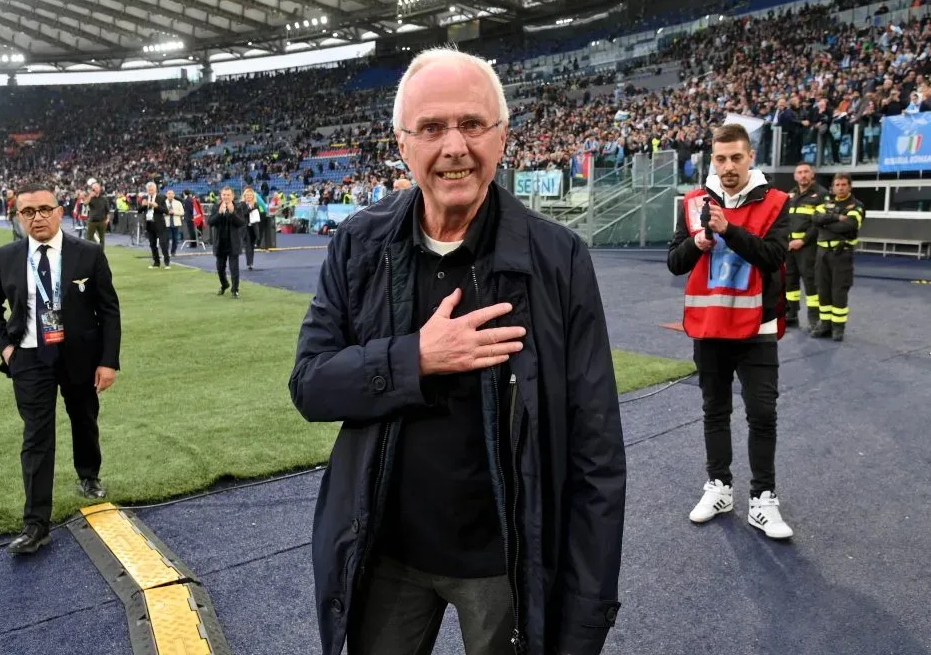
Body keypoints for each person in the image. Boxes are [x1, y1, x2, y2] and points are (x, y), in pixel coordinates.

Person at [289, 47, 626, 655]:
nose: (454, 147)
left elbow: (595, 450)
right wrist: (414, 357)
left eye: (472, 125)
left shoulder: (558, 260)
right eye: (432, 127)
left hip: (506, 564)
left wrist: (584, 617)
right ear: (402, 143)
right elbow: (310, 385)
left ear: (501, 138)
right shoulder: (358, 244)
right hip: (385, 553)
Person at [0, 183, 122, 555]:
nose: (37, 217)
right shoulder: (5, 256)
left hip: (79, 356)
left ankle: (89, 476)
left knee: (84, 419)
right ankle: (35, 523)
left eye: (45, 209)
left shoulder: (88, 253)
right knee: (36, 437)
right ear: (18, 216)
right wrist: (7, 348)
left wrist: (108, 361)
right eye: (28, 212)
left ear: (60, 212)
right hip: (29, 358)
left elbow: (108, 310)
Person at [667, 123, 793, 540]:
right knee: (715, 411)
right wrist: (698, 242)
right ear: (712, 160)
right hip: (710, 325)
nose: (728, 166)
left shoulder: (775, 202)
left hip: (757, 324)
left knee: (762, 413)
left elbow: (773, 256)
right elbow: (674, 262)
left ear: (750, 157)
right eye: (720, 158)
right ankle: (719, 487)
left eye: (736, 157)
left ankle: (763, 498)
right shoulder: (692, 202)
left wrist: (728, 230)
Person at [811, 173, 864, 342]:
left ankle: (838, 327)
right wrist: (835, 217)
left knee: (839, 291)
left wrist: (826, 223)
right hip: (822, 254)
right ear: (833, 187)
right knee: (822, 289)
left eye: (843, 184)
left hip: (842, 254)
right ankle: (824, 324)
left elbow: (849, 226)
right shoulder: (826, 203)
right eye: (837, 185)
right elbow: (815, 219)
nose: (840, 187)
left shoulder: (856, 205)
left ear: (849, 186)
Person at [783, 163, 826, 330]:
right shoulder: (790, 195)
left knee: (811, 283)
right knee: (789, 282)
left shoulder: (821, 195)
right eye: (799, 172)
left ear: (812, 174)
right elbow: (785, 220)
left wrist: (803, 240)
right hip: (789, 247)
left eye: (806, 172)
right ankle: (791, 314)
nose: (803, 175)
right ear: (795, 176)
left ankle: (814, 319)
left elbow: (819, 224)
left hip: (808, 247)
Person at [208, 186, 245, 299]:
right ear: (221, 196)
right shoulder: (216, 207)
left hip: (233, 242)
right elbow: (210, 222)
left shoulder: (238, 207)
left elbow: (241, 223)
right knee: (220, 268)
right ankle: (224, 284)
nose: (226, 197)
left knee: (234, 268)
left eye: (228, 195)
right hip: (220, 242)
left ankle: (235, 290)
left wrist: (233, 213)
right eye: (224, 195)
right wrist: (219, 214)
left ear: (232, 196)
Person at [138, 181, 170, 269]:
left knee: (163, 243)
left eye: (152, 190)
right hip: (149, 224)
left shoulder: (161, 197)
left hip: (159, 224)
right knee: (152, 244)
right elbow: (139, 210)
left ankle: (167, 263)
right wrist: (143, 205)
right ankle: (156, 262)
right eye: (149, 190)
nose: (150, 191)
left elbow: (166, 211)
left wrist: (157, 206)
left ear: (155, 189)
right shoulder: (144, 198)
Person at [85, 181, 109, 249]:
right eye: (93, 188)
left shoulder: (104, 199)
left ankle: (101, 254)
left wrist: (107, 219)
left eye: (96, 187)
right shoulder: (90, 197)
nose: (95, 189)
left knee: (102, 239)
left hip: (102, 221)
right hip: (92, 221)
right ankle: (88, 253)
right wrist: (90, 196)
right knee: (89, 238)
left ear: (99, 189)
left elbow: (107, 210)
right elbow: (85, 203)